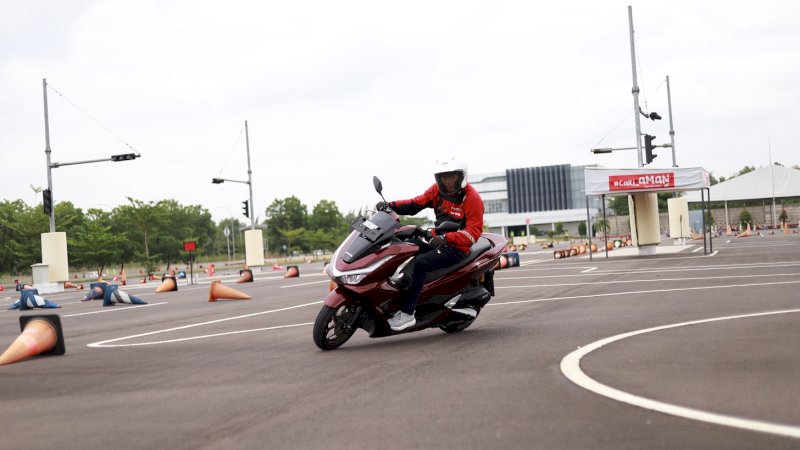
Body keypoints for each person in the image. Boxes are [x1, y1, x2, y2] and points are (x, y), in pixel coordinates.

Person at [377, 157, 484, 331]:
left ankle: (407, 313)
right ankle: (397, 290)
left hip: (456, 248)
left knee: (421, 263)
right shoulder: (436, 191)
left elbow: (473, 233)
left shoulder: (472, 198)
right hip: (437, 239)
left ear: (461, 177)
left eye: (451, 177)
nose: (447, 181)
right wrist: (390, 206)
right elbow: (414, 204)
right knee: (405, 245)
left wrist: (448, 238)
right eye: (443, 177)